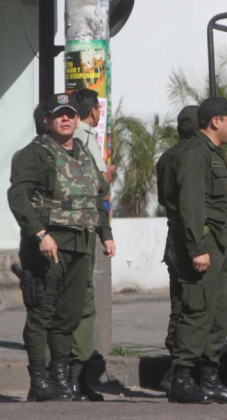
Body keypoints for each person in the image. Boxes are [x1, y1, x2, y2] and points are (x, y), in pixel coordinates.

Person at [7, 93, 116, 402]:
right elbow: (18, 196)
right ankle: (39, 382)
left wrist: (105, 233)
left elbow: (96, 197)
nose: (66, 119)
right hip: (48, 244)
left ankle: (59, 378)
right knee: (42, 313)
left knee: (69, 316)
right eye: (59, 115)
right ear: (47, 120)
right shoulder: (34, 153)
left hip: (81, 244)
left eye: (70, 114)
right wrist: (40, 233)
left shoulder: (82, 151)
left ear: (77, 119)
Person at [161, 97, 227, 404]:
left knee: (217, 312)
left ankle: (210, 378)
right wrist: (197, 247)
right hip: (202, 243)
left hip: (217, 245)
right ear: (215, 122)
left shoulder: (212, 152)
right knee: (196, 310)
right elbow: (191, 204)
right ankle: (182, 379)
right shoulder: (195, 153)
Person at [55, 88, 117, 402]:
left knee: (76, 304)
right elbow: (97, 191)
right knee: (77, 305)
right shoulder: (82, 140)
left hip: (79, 233)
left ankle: (70, 377)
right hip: (70, 236)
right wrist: (109, 177)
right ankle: (67, 377)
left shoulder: (73, 141)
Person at [155, 105, 199, 392]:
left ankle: (178, 365)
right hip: (189, 236)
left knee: (179, 302)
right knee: (192, 302)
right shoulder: (194, 156)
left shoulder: (166, 157)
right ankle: (179, 370)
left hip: (174, 233)